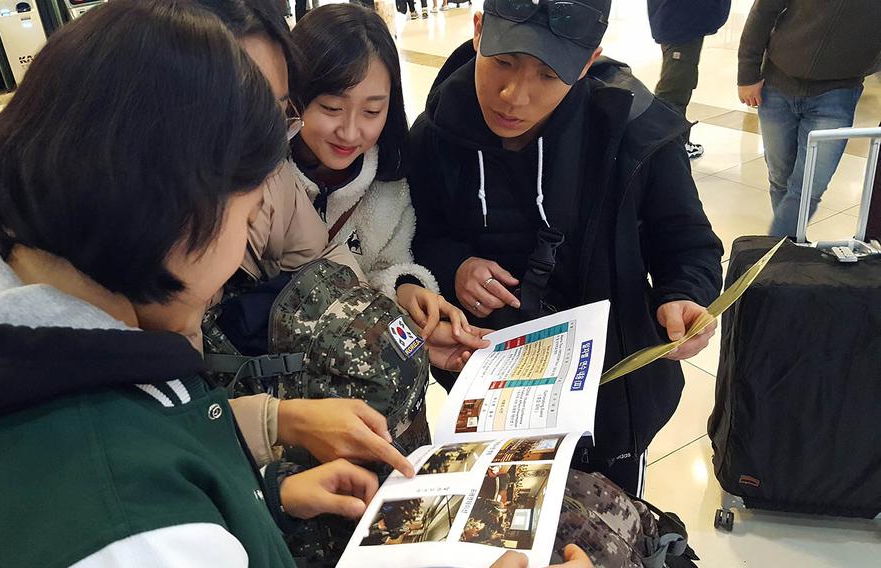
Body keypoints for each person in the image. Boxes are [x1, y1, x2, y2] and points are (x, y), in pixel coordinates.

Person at [0, 2, 380, 566]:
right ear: (180, 197)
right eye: (247, 210)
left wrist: (261, 497)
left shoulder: (15, 311)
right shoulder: (132, 523)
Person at [409, 0, 723, 494]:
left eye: (548, 73)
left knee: (610, 527)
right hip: (487, 390)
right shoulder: (434, 132)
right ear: (478, 31)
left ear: (587, 60)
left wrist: (682, 295)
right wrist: (455, 266)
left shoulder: (638, 132)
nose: (514, 95)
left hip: (608, 394)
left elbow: (688, 244)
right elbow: (418, 236)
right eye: (503, 61)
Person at [189, 0, 418, 478]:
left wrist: (403, 307)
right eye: (330, 107)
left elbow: (332, 265)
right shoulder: (173, 221)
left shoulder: (275, 183)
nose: (350, 130)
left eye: (274, 109)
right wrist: (277, 430)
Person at [288, 3, 488, 355]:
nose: (350, 132)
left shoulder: (387, 185)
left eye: (372, 111)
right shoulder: (258, 181)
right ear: (292, 94)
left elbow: (388, 264)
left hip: (363, 375)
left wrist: (407, 289)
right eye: (331, 108)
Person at [737, 0, 881, 237]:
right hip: (777, 83)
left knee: (808, 189)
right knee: (780, 177)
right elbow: (763, 11)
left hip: (837, 93)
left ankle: (776, 253)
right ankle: (790, 245)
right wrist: (747, 73)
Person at [647, 0, 730, 159]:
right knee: (675, 88)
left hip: (677, 20)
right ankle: (667, 148)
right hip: (681, 23)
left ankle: (673, 143)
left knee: (679, 83)